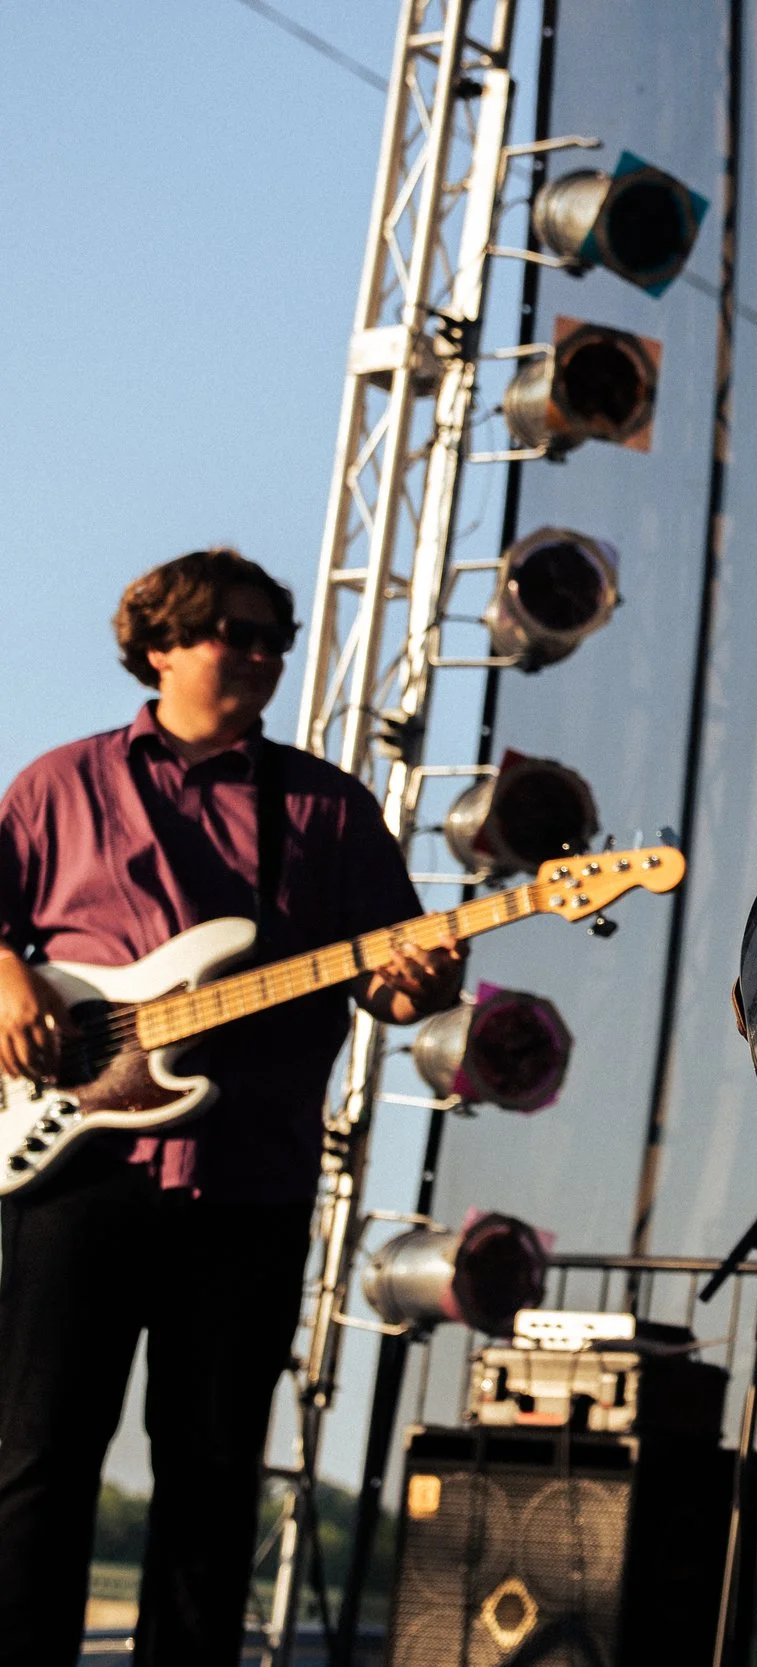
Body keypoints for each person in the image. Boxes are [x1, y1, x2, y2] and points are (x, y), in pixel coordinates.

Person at [0, 548, 464, 1665]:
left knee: (210, 1480)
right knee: (34, 1466)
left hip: (247, 1181)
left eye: (274, 639)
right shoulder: (58, 783)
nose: (259, 655)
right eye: (231, 633)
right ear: (158, 646)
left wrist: (426, 978)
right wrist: (9, 982)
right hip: (73, 1172)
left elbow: (397, 980)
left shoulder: (325, 808)